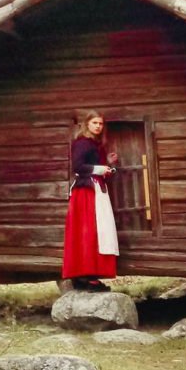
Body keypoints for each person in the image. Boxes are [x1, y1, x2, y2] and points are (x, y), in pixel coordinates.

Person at [62, 111, 119, 291]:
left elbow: (97, 168)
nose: (98, 126)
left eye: (100, 124)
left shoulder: (96, 145)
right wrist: (102, 169)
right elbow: (78, 167)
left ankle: (88, 276)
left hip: (96, 190)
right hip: (86, 193)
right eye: (94, 123)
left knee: (98, 233)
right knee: (89, 233)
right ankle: (88, 277)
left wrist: (108, 163)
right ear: (87, 124)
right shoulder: (82, 143)